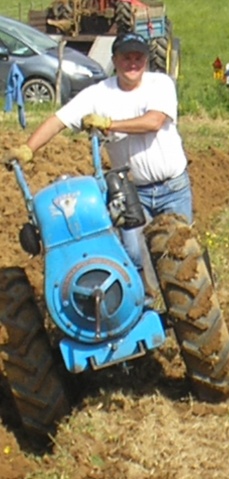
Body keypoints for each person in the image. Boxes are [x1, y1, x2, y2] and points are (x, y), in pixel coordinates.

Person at [3, 32, 192, 293]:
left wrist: (109, 124)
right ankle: (144, 304)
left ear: (146, 61)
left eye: (138, 57)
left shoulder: (160, 84)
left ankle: (191, 309)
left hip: (172, 188)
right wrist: (28, 148)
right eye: (127, 57)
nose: (133, 63)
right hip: (130, 191)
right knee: (134, 254)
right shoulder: (98, 94)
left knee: (180, 254)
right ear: (115, 60)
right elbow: (58, 120)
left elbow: (154, 121)